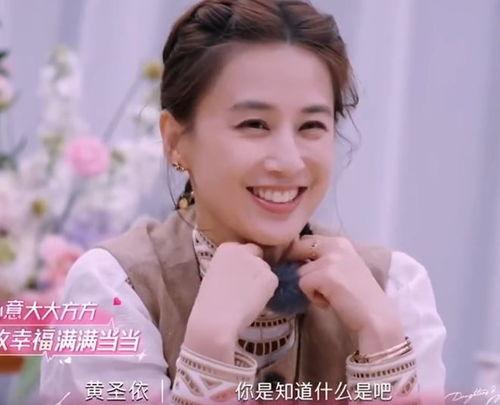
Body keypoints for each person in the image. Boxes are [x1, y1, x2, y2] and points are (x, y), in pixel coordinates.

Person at [40, 0, 446, 403]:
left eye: (311, 125)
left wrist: (383, 342)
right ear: (175, 140)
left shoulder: (393, 286)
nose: (289, 162)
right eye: (254, 124)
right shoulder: (116, 287)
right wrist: (209, 349)